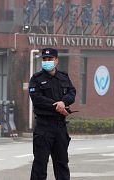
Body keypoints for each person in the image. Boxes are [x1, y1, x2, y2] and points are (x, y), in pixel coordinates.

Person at [29, 48, 76, 180]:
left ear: (56, 60)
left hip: (60, 127)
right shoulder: (36, 79)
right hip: (44, 127)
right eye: (44, 59)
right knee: (40, 164)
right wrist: (57, 106)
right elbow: (37, 99)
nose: (47, 61)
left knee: (62, 163)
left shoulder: (64, 76)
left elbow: (72, 93)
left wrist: (63, 102)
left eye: (50, 59)